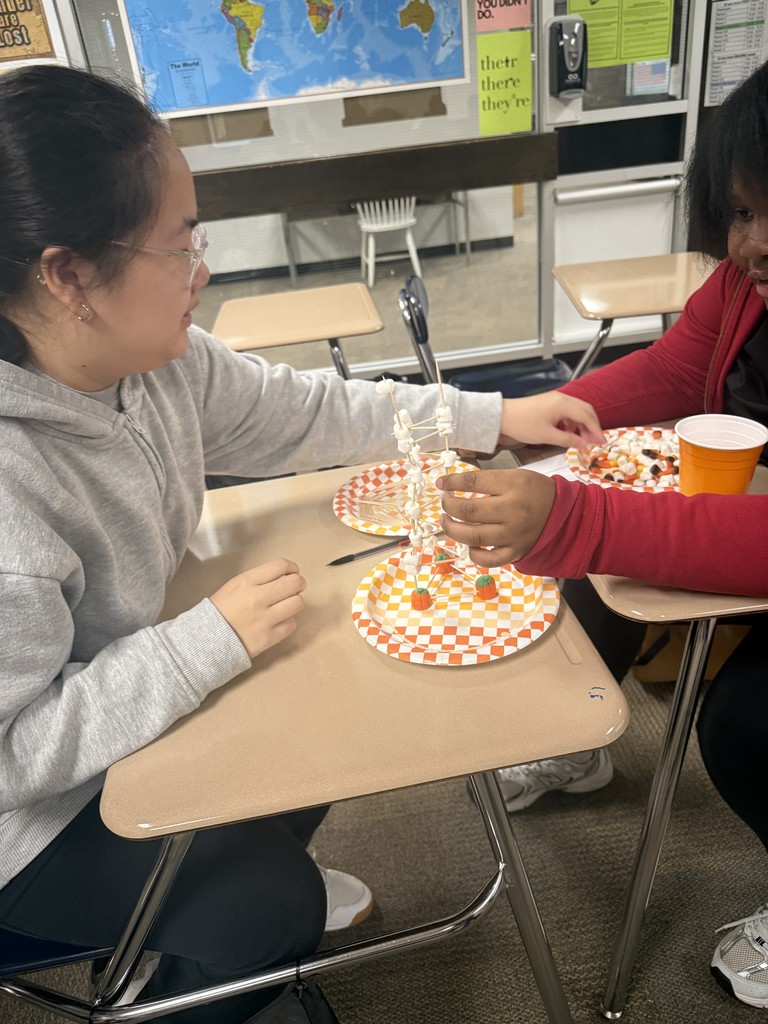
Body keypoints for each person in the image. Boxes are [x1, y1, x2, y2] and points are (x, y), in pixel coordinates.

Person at [0, 64, 604, 1024]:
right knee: (270, 903)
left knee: (306, 730)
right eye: (176, 243)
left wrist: (494, 415)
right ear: (69, 275)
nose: (203, 266)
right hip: (24, 828)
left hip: (118, 692)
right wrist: (197, 645)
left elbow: (305, 412)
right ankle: (207, 955)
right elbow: (11, 756)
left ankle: (207, 924)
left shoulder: (155, 364)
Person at [438, 58, 768, 1011]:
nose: (749, 245)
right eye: (738, 214)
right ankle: (579, 749)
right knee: (591, 579)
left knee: (747, 728)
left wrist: (579, 517)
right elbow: (672, 368)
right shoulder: (742, 290)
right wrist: (530, 416)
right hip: (738, 520)